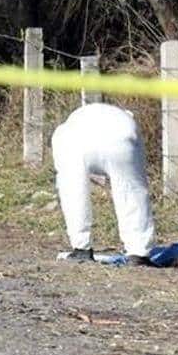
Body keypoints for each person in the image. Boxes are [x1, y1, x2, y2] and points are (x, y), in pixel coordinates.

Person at [51, 103, 155, 265]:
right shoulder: (127, 121)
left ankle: (81, 249)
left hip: (76, 138)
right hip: (122, 137)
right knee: (132, 192)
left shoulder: (68, 127)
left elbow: (69, 184)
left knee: (73, 191)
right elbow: (137, 180)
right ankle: (138, 253)